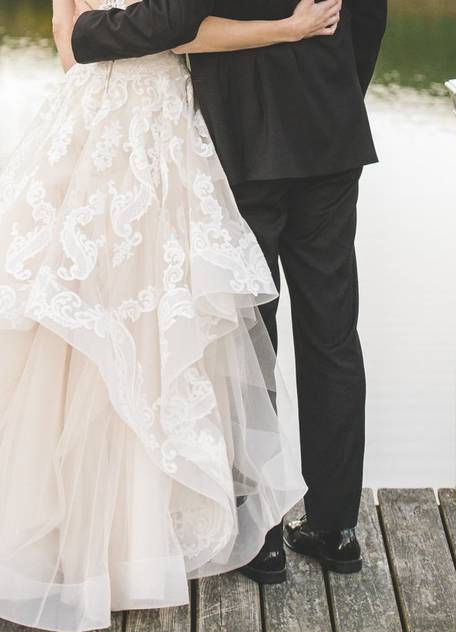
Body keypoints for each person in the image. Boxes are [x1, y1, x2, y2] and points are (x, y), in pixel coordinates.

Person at [0, 0, 340, 632]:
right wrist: (288, 30)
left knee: (66, 319)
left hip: (83, 118)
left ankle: (53, 523)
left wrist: (105, 60)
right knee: (148, 325)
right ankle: (135, 533)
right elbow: (188, 34)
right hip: (158, 129)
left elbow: (69, 41)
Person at [71, 0, 387, 584]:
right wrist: (336, 93)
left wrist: (92, 30)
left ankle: (258, 539)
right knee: (333, 332)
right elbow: (368, 19)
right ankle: (336, 527)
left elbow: (179, 19)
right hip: (328, 133)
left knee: (246, 338)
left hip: (241, 139)